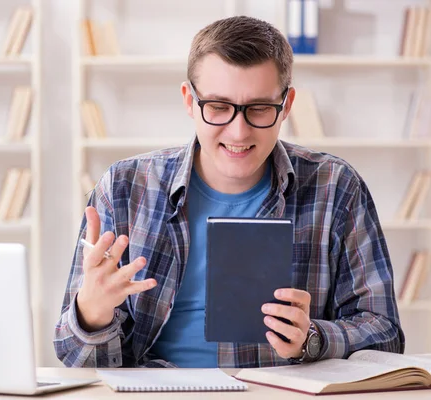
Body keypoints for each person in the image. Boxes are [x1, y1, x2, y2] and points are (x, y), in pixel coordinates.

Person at [54, 15, 404, 368]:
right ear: (189, 101)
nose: (238, 133)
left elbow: (386, 335)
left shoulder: (337, 187)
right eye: (218, 107)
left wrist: (312, 337)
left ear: (286, 105)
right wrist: (92, 313)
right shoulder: (123, 189)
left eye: (259, 109)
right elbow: (74, 357)